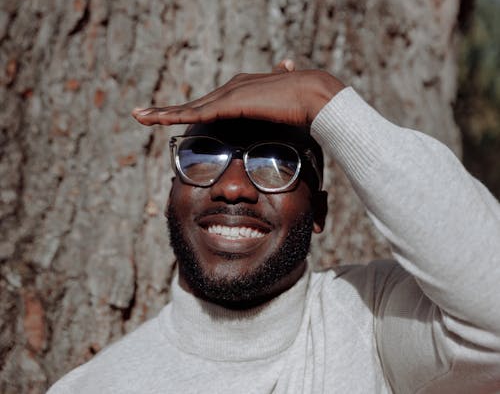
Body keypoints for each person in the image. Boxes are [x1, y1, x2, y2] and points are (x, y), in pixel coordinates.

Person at [48, 61, 500, 393]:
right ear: (172, 193)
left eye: (275, 163)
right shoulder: (92, 386)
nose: (232, 187)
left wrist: (323, 100)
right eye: (202, 156)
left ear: (318, 211)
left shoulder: (372, 321)